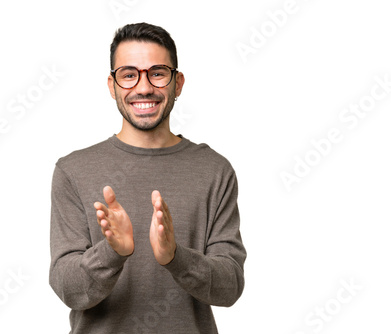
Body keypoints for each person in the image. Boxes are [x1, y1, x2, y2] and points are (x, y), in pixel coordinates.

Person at [49, 22, 246, 334]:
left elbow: (230, 287)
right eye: (129, 74)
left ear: (177, 83)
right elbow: (69, 289)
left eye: (157, 72)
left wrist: (175, 257)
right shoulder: (73, 170)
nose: (143, 88)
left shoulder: (214, 170)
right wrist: (113, 252)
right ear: (112, 85)